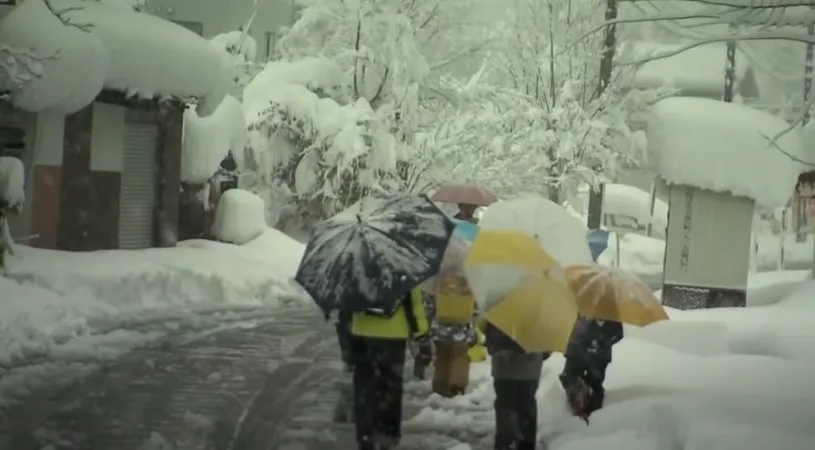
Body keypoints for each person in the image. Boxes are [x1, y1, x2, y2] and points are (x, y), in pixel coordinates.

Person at [348, 288, 429, 450]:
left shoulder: (357, 266)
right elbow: (413, 302)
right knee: (390, 391)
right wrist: (422, 333)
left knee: (365, 389)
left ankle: (365, 438)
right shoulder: (402, 265)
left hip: (362, 333)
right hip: (393, 335)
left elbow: (345, 300)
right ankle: (386, 437)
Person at [484, 322, 549, 450]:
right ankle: (526, 444)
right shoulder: (540, 312)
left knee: (506, 407)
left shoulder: (501, 310)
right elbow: (546, 349)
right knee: (527, 405)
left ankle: (506, 443)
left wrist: (504, 347)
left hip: (505, 368)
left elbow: (491, 343)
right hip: (530, 370)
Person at [559, 317, 624, 420]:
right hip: (578, 351)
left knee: (595, 382)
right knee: (570, 377)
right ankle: (578, 402)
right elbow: (573, 330)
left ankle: (591, 411)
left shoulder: (611, 315)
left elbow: (618, 334)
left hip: (599, 354)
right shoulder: (582, 311)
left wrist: (602, 339)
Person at [424, 276, 477, 397]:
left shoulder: (438, 280)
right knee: (459, 356)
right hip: (462, 327)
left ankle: (440, 385)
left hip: (441, 326)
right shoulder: (468, 280)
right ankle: (457, 386)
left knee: (442, 356)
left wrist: (430, 321)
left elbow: (428, 304)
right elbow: (476, 306)